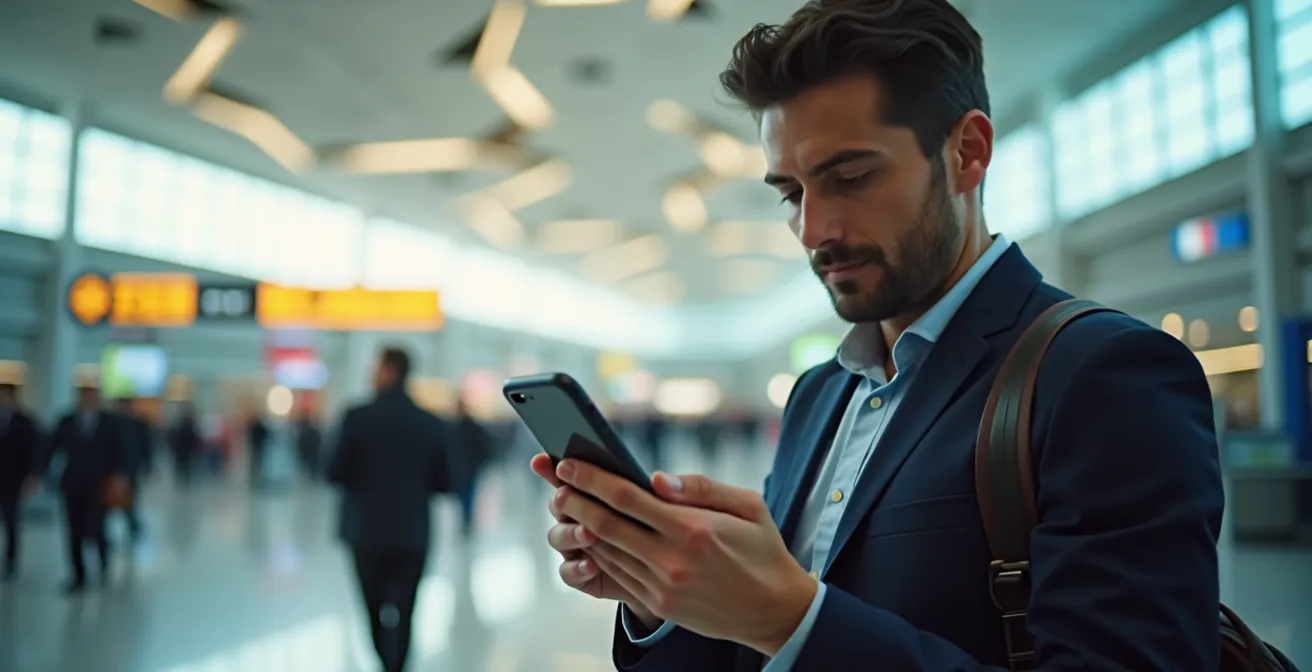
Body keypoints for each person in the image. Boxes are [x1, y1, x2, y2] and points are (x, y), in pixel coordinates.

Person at [530, 1, 1224, 669]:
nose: (812, 231)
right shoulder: (818, 395)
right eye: (792, 193)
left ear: (968, 152)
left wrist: (788, 617)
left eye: (851, 177)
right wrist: (665, 598)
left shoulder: (1100, 375)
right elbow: (758, 651)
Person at [328, 347, 460, 672]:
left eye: (374, 367)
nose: (370, 373)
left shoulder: (356, 417)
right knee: (406, 611)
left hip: (364, 532)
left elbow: (333, 472)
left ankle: (384, 664)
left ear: (388, 370)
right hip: (412, 533)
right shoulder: (430, 422)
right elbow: (447, 482)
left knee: (371, 609)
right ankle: (398, 666)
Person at [47, 386, 129, 594]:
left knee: (96, 526)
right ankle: (78, 575)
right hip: (72, 483)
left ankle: (103, 561)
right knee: (73, 529)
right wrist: (39, 472)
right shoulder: (66, 421)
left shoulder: (110, 423)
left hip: (99, 484)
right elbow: (50, 447)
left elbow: (120, 450)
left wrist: (119, 475)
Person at [0, 383, 41, 581]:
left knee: (11, 521)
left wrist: (32, 475)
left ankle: (10, 562)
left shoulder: (25, 422)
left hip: (12, 480)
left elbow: (33, 451)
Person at [111, 398, 153, 541]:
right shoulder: (111, 423)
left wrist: (147, 465)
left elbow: (146, 446)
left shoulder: (139, 424)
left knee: (130, 498)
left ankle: (132, 524)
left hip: (131, 468)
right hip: (112, 469)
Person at [452, 399, 493, 537]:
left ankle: (466, 522)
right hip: (467, 467)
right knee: (466, 497)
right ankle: (466, 521)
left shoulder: (457, 428)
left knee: (466, 497)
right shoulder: (464, 427)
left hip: (466, 468)